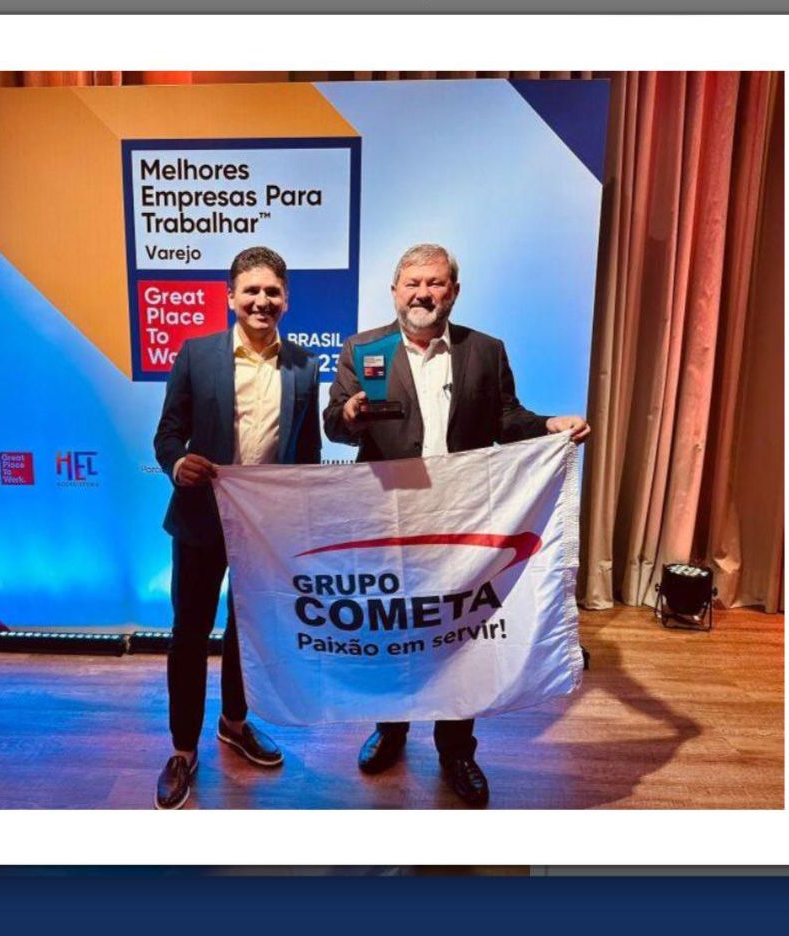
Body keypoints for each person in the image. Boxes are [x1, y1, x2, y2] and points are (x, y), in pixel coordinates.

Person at [323, 242, 590, 807]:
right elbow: (334, 428)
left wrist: (547, 426)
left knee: (460, 635)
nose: (423, 293)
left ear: (454, 291)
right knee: (394, 628)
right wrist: (347, 414)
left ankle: (457, 750)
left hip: (464, 519)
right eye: (413, 283)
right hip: (390, 517)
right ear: (394, 291)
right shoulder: (363, 348)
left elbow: (506, 420)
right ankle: (391, 728)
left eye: (435, 283)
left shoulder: (485, 351)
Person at [152, 246, 322, 810]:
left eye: (272, 291)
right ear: (231, 297)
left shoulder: (305, 366)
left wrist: (302, 521)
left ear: (286, 300)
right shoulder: (196, 354)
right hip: (200, 519)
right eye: (251, 291)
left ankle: (234, 722)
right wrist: (178, 462)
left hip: (265, 527)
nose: (261, 301)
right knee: (189, 635)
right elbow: (167, 434)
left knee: (247, 633)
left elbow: (307, 454)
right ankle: (182, 750)